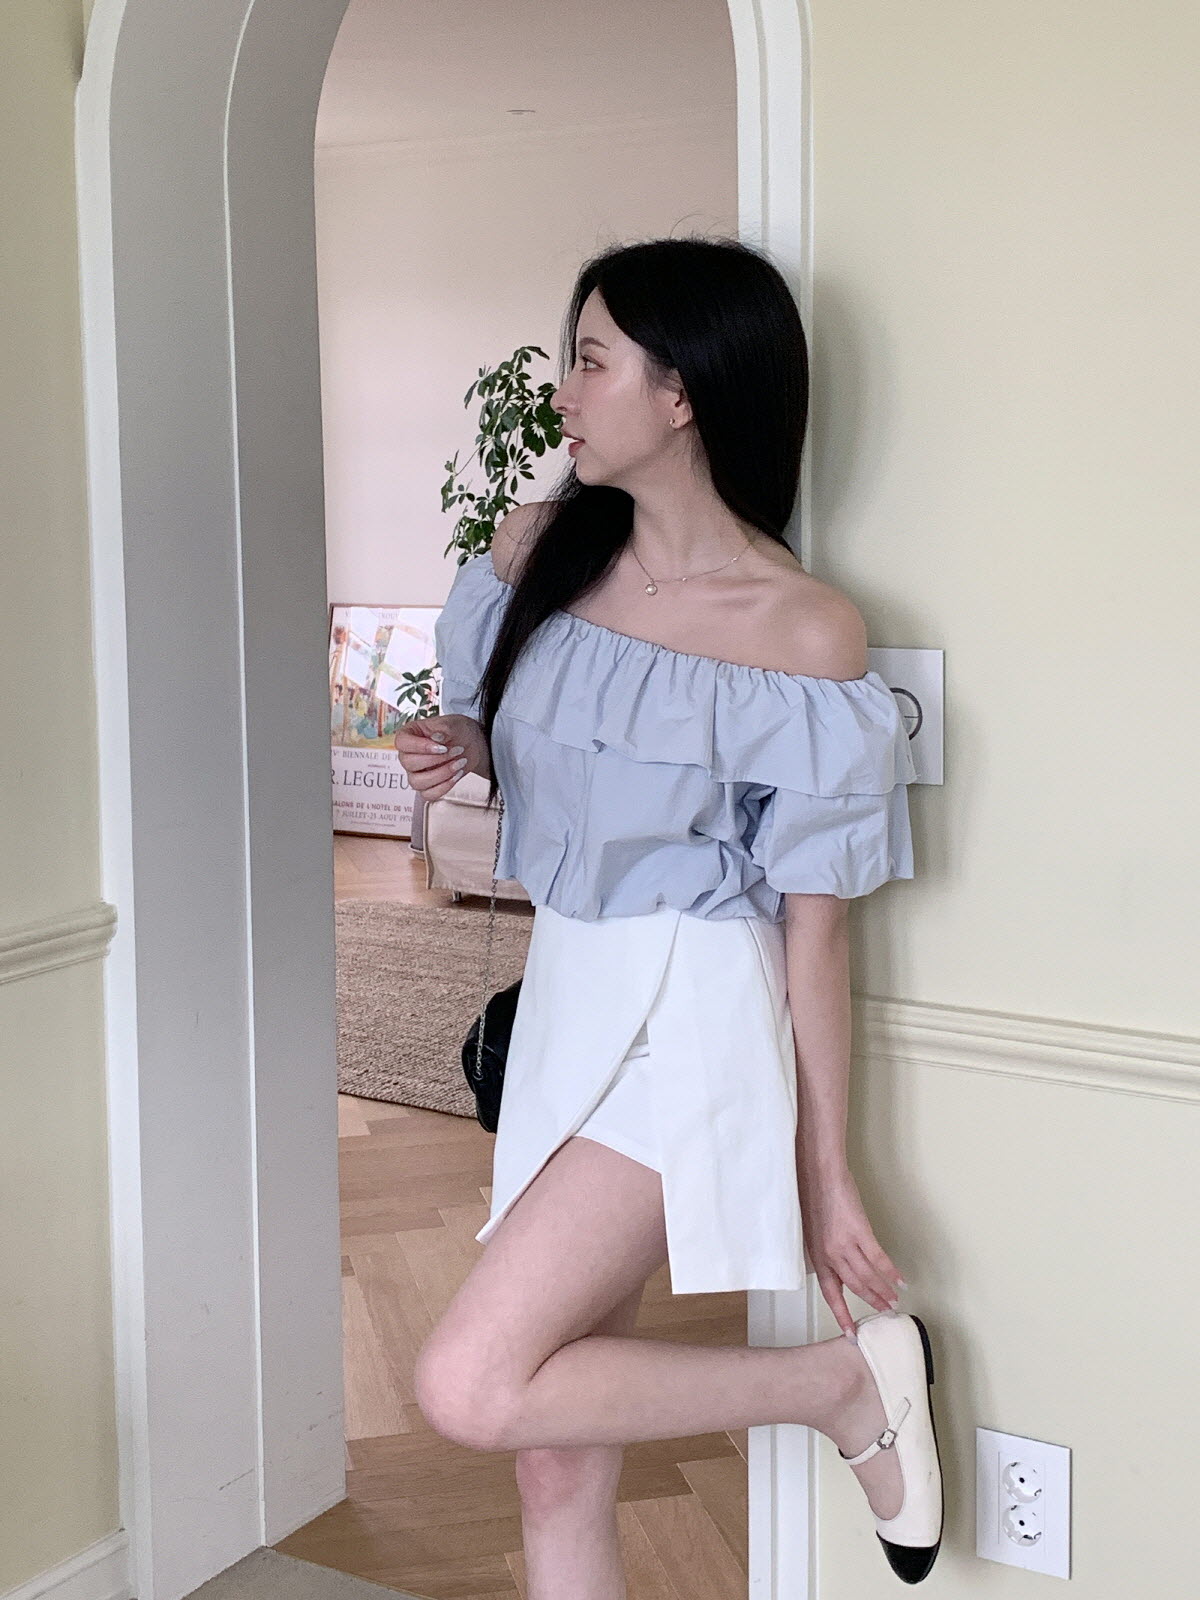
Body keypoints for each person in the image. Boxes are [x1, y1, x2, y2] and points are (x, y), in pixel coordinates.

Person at [394, 237, 942, 1593]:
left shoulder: (802, 632)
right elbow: (540, 736)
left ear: (682, 390)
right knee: (553, 1460)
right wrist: (470, 743)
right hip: (568, 990)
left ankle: (837, 1389)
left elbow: (817, 925)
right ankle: (834, 1392)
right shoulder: (540, 554)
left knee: (471, 1382)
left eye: (590, 361)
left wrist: (828, 1173)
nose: (561, 392)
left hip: (692, 1014)